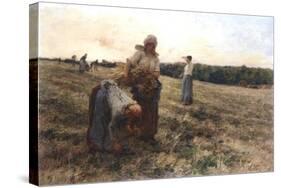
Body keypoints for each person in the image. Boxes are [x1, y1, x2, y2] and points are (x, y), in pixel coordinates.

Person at [87, 80, 142, 154]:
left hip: (112, 92)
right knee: (100, 121)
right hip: (103, 95)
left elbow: (127, 123)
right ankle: (97, 145)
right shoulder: (118, 111)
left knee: (120, 126)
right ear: (128, 112)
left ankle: (118, 146)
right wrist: (114, 142)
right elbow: (112, 127)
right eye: (132, 116)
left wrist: (131, 129)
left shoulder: (132, 104)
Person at [124, 34, 161, 144]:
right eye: (149, 44)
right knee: (140, 107)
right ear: (145, 44)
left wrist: (152, 75)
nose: (150, 46)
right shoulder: (140, 53)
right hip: (139, 83)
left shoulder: (156, 58)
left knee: (152, 109)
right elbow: (129, 63)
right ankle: (136, 130)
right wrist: (127, 76)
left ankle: (149, 134)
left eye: (153, 45)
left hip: (151, 84)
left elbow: (157, 73)